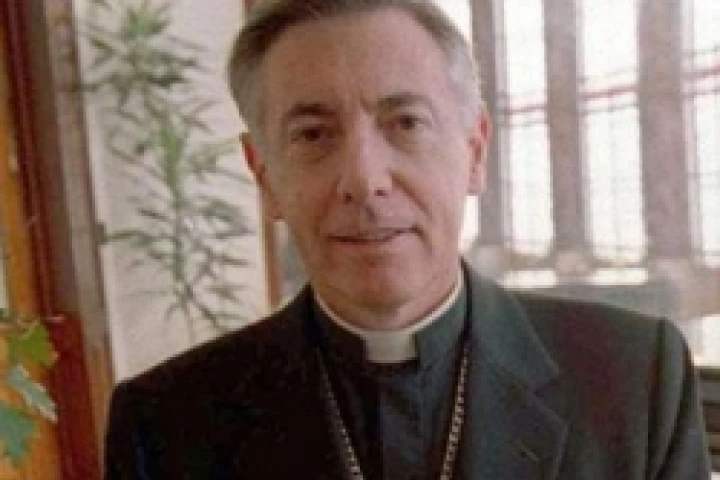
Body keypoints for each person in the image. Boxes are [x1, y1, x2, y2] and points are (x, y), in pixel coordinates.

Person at [104, 0, 712, 478]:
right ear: (263, 176)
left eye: (406, 122)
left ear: (474, 152)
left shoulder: (632, 380)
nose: (364, 180)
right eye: (313, 134)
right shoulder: (164, 426)